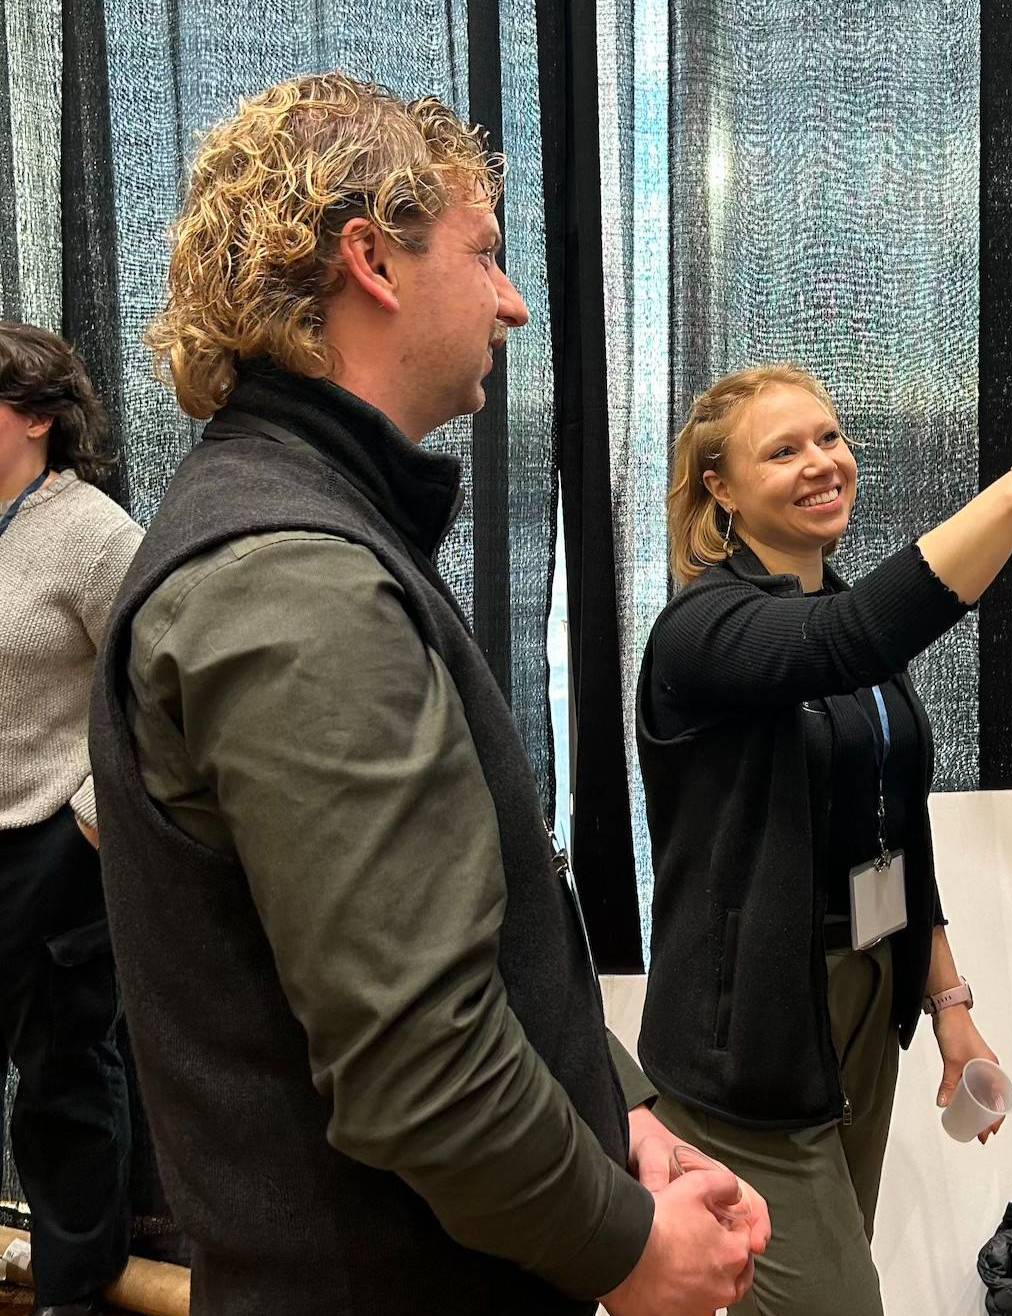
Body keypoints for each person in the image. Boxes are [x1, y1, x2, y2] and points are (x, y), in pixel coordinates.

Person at [87, 74, 766, 1316]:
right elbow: (421, 1060)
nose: (511, 301)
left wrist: (613, 1113)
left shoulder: (310, 528)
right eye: (486, 253)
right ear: (373, 261)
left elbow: (478, 938)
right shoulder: (291, 578)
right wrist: (624, 1242)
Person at [636, 361, 1012, 1314]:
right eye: (783, 449)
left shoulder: (836, 612)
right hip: (751, 1041)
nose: (821, 463)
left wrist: (948, 1003)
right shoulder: (702, 630)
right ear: (719, 487)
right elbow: (850, 638)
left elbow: (895, 827)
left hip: (865, 1003)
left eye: (829, 438)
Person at [0, 322, 139, 1316]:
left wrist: (89, 822)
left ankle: (71, 1292)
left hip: (56, 846)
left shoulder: (92, 532)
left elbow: (155, 687)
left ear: (39, 417)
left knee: (64, 1079)